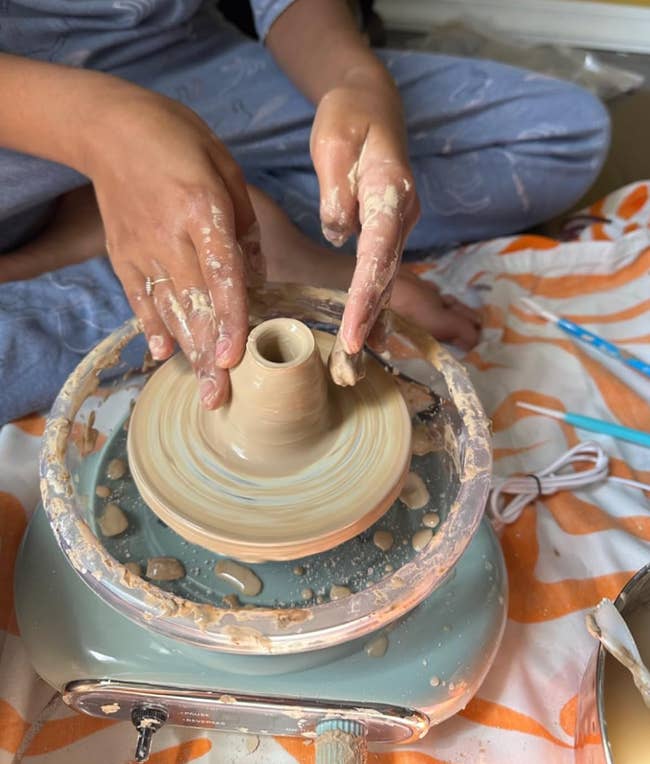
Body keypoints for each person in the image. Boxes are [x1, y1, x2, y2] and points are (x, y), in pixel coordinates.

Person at [0, 0, 610, 422]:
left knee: (560, 134)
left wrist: (355, 81)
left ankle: (228, 228)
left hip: (179, 61)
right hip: (23, 115)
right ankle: (207, 242)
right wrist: (107, 133)